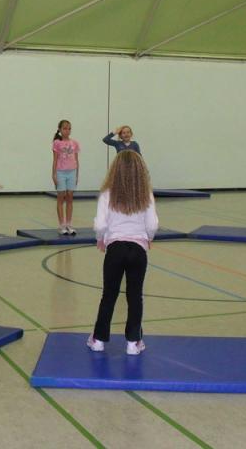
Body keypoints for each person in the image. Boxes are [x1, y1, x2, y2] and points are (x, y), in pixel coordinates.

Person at [87, 150, 158, 356]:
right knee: (135, 296)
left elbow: (100, 224)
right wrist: (148, 237)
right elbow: (152, 224)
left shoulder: (107, 194)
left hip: (115, 249)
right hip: (138, 250)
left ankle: (98, 340)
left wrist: (101, 238)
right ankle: (133, 342)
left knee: (109, 294)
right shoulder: (145, 195)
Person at [52, 120, 80, 235]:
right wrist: (53, 174)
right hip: (61, 172)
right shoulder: (57, 143)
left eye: (69, 128)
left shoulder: (74, 143)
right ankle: (62, 225)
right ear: (60, 129)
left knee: (70, 197)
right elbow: (55, 160)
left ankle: (69, 224)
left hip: (72, 171)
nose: (67, 131)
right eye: (64, 128)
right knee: (61, 197)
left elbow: (76, 160)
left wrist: (77, 175)